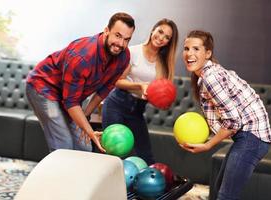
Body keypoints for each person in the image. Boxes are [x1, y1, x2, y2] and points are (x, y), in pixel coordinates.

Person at [180, 30, 271, 200]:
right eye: (186, 48)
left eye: (196, 49)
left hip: (252, 137)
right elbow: (224, 117)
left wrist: (208, 145)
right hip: (248, 136)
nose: (189, 54)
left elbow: (233, 121)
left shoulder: (211, 77)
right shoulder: (206, 75)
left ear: (208, 53)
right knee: (218, 189)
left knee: (226, 196)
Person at [26, 12, 135, 153]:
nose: (121, 44)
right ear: (106, 31)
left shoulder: (123, 56)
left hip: (69, 97)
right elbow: (70, 102)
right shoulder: (83, 57)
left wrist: (86, 115)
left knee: (84, 147)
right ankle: (59, 175)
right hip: (44, 87)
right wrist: (90, 131)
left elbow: (104, 90)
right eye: (118, 36)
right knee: (63, 145)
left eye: (127, 39)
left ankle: (76, 175)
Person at [99, 18, 178, 164]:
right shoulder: (133, 51)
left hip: (137, 110)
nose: (161, 38)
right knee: (113, 154)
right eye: (160, 32)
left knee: (146, 156)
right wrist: (140, 85)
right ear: (153, 30)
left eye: (167, 37)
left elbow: (155, 93)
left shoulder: (163, 63)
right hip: (116, 104)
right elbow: (116, 81)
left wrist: (162, 102)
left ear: (169, 42)